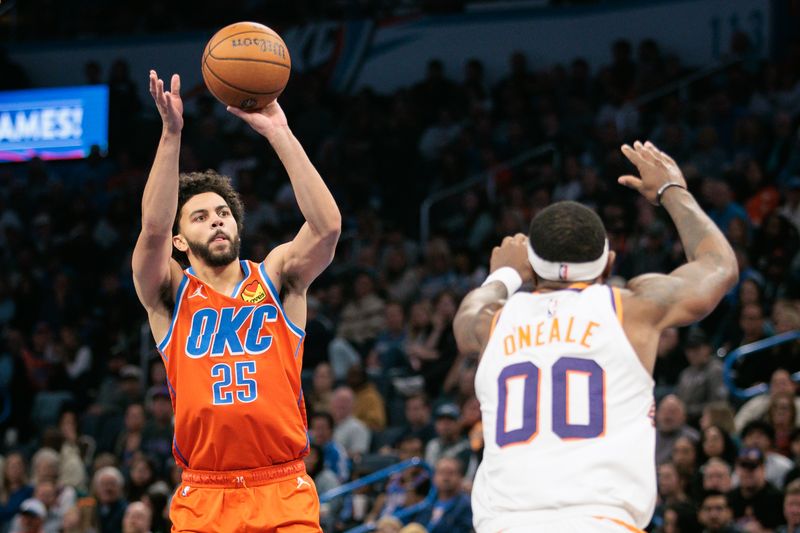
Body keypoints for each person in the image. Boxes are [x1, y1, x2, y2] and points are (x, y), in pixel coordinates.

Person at [454, 141, 738, 532]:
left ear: (533, 271)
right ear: (608, 262)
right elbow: (718, 266)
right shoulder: (632, 309)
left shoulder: (493, 323)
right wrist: (673, 191)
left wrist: (504, 274)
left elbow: (468, 313)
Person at [132, 71, 341, 531]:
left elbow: (326, 229)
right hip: (204, 492)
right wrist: (171, 135)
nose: (218, 222)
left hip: (282, 487)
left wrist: (279, 132)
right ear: (180, 240)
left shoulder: (278, 278)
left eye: (224, 213)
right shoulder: (169, 294)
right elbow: (151, 231)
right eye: (201, 217)